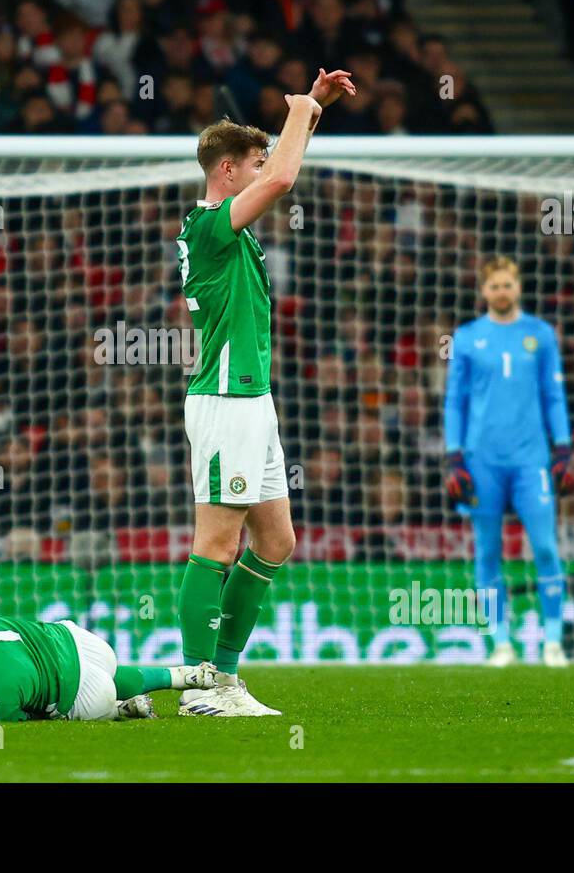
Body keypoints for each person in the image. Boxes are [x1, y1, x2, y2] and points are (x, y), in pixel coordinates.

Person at [173, 65, 354, 716]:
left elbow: (275, 169)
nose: (264, 171)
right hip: (226, 403)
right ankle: (202, 689)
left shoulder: (231, 229)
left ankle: (226, 677)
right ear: (227, 171)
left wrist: (312, 112)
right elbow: (282, 176)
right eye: (252, 162)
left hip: (254, 401)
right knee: (216, 544)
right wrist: (301, 110)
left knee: (276, 543)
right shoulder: (212, 226)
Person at [443, 256, 574, 667]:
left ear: (518, 287)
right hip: (482, 461)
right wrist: (454, 456)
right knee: (487, 552)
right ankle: (501, 643)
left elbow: (554, 395)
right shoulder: (466, 338)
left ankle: (553, 641)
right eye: (494, 286)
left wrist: (564, 446)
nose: (502, 292)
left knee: (546, 548)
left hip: (531, 459)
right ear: (484, 291)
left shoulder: (541, 334)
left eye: (508, 285)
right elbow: (455, 402)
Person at [0, 614, 216, 722]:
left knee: (59, 707)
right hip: (75, 636)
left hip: (86, 694)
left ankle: (118, 711)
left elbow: (32, 719)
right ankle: (181, 675)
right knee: (114, 672)